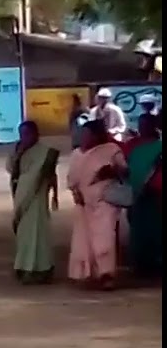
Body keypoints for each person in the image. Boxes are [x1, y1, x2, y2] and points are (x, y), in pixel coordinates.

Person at [66, 118, 127, 289]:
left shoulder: (111, 150)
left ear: (97, 135)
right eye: (83, 134)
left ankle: (107, 275)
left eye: (87, 134)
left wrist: (113, 170)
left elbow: (125, 171)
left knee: (105, 238)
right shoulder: (77, 154)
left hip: (105, 202)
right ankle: (90, 273)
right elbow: (72, 180)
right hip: (83, 204)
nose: (84, 137)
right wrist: (75, 193)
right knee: (84, 241)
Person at [8, 121, 60, 284]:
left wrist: (55, 195)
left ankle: (42, 269)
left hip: (37, 197)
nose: (24, 138)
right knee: (24, 234)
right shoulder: (17, 150)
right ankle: (23, 266)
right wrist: (19, 154)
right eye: (22, 134)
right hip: (22, 195)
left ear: (36, 134)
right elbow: (12, 170)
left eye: (28, 134)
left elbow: (51, 175)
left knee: (39, 233)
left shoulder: (46, 153)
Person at [122, 113, 162, 277]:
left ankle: (156, 261)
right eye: (140, 124)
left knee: (155, 227)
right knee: (137, 227)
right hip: (134, 193)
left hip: (155, 194)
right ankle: (140, 262)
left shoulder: (160, 147)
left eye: (145, 124)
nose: (142, 127)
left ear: (153, 126)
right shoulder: (131, 145)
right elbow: (122, 164)